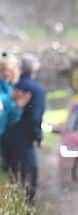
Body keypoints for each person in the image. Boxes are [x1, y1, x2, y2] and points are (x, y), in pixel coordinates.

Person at [4, 55, 43, 202]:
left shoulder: (12, 85)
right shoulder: (36, 89)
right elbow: (35, 117)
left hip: (7, 135)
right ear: (34, 70)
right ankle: (27, 202)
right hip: (25, 137)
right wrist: (38, 136)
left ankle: (13, 200)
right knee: (29, 170)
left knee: (12, 170)